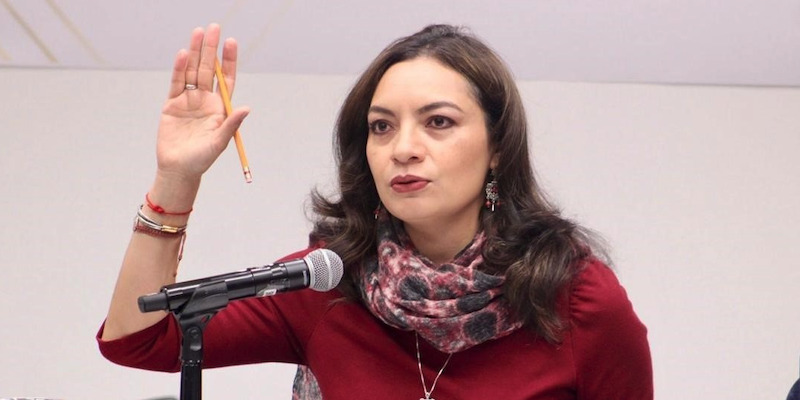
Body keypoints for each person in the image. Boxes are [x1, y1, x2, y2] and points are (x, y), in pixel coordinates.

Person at [97, 23, 653, 399]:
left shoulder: (577, 301)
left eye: (438, 122)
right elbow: (137, 339)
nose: (403, 148)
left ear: (498, 148)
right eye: (381, 126)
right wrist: (177, 178)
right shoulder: (328, 283)